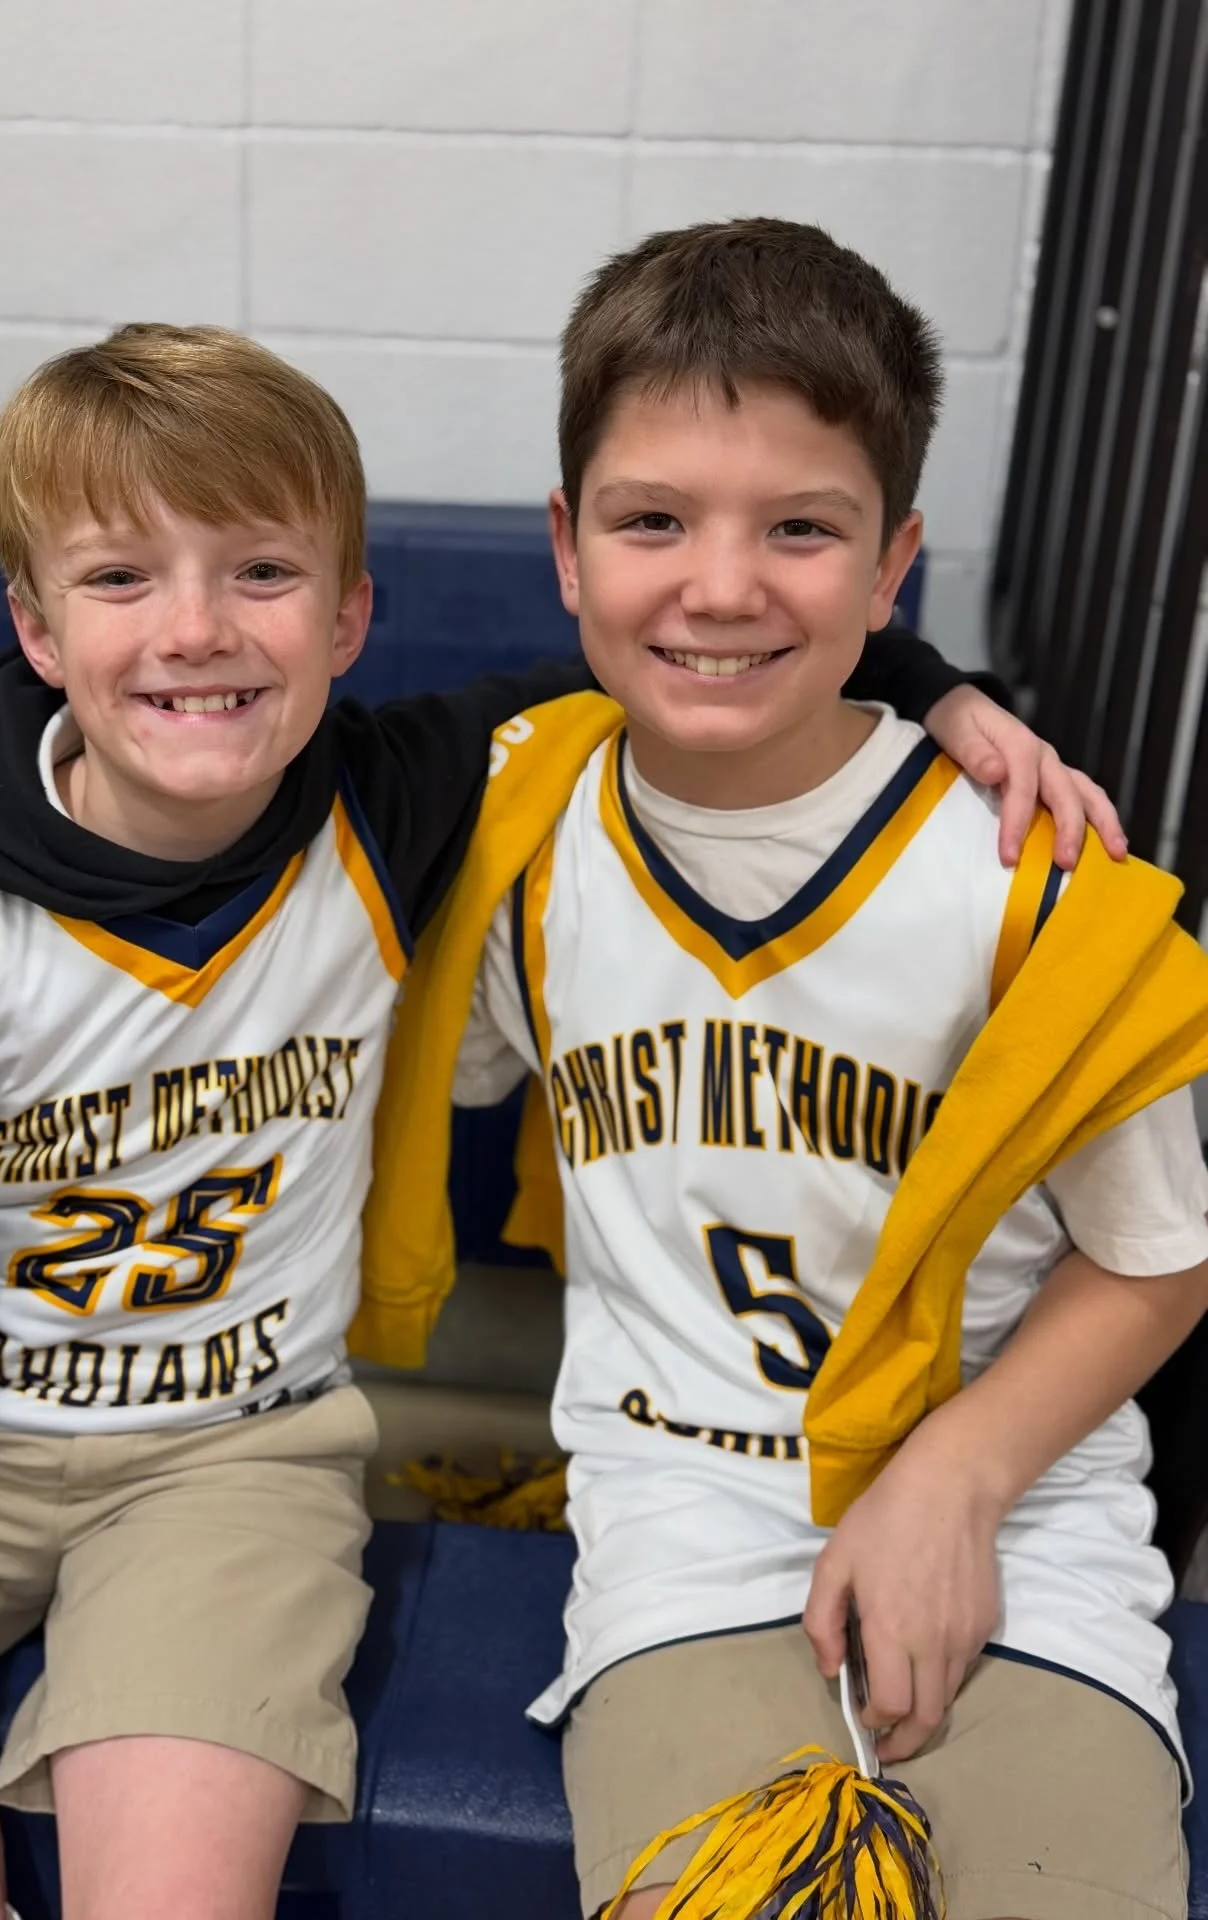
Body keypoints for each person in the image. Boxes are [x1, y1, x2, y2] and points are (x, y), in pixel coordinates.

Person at [0, 322, 1080, 1920]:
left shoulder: (397, 800)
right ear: (37, 631)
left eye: (259, 572)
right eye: (120, 581)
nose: (195, 630)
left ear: (347, 617)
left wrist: (946, 697)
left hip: (228, 1467)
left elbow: (697, 646)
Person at [357, 220, 1208, 1920]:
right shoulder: (518, 835)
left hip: (1018, 1508)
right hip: (686, 1514)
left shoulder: (1030, 875)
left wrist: (957, 1478)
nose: (723, 584)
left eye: (800, 531)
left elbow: (1160, 1258)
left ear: (893, 571)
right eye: (654, 520)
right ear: (568, 548)